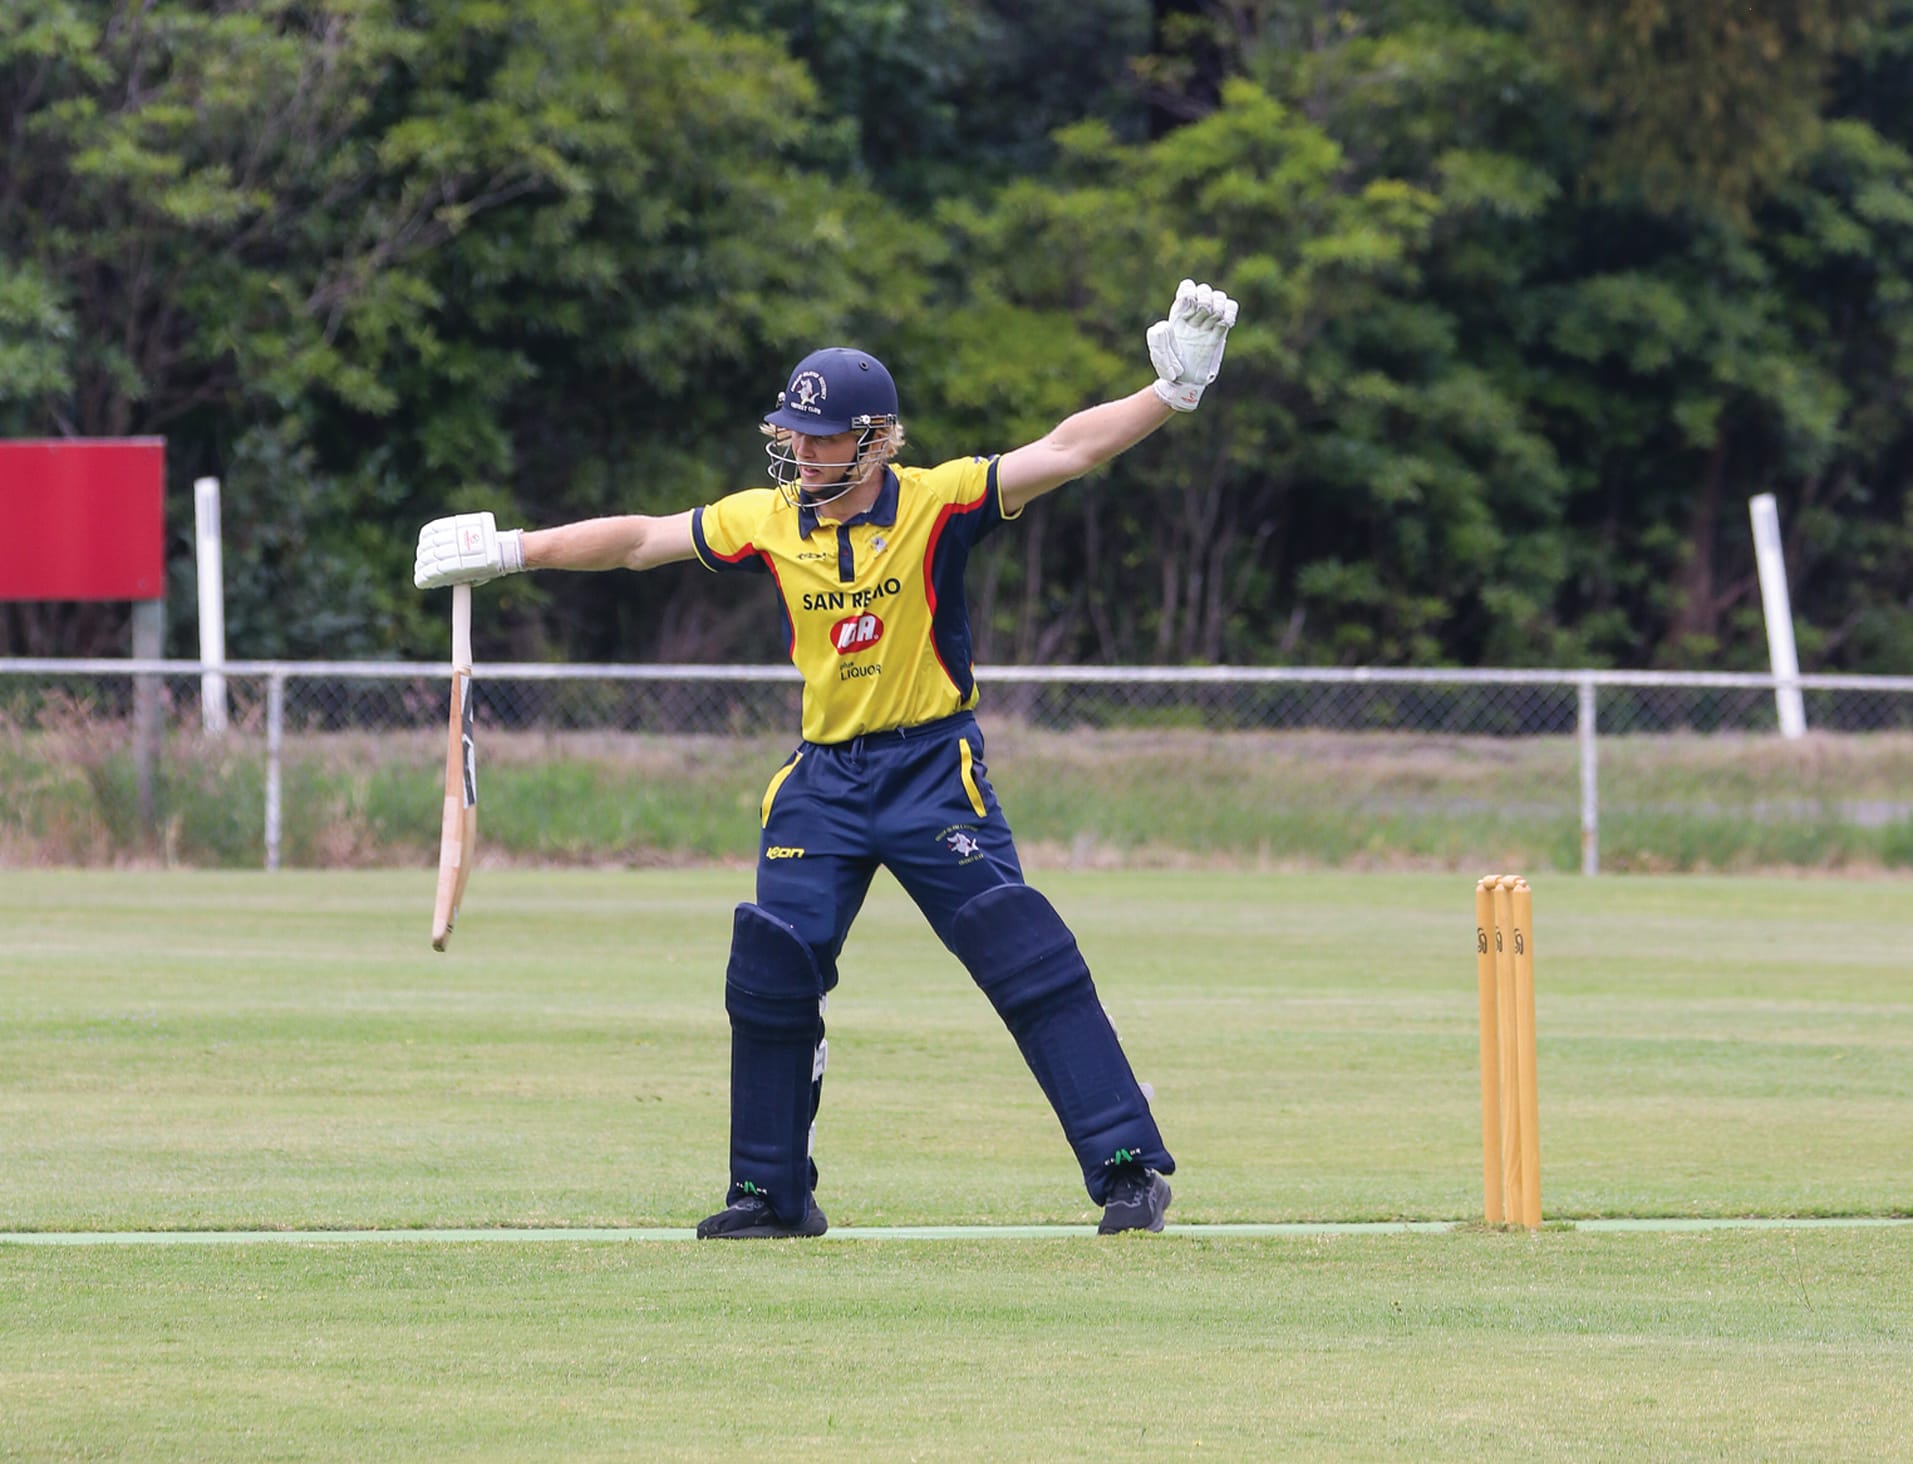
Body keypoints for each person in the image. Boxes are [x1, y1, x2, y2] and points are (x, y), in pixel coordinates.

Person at [414, 279, 1239, 1237]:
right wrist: (512, 549)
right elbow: (641, 541)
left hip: (934, 770)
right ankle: (770, 1194)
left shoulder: (938, 502)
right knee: (771, 968)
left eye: (820, 438)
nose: (800, 454)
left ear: (875, 438)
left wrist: (1168, 394)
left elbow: (1065, 450)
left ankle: (1128, 1169)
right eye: (792, 437)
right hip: (822, 783)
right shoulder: (767, 519)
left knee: (1025, 956)